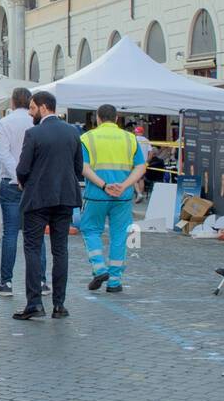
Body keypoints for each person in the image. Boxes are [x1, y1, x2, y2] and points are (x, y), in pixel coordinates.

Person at [13, 92, 83, 320]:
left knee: (33, 248)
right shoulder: (73, 132)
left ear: (43, 107)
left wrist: (25, 183)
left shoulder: (34, 133)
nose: (30, 113)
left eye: (32, 108)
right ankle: (59, 305)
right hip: (65, 197)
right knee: (60, 250)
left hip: (38, 198)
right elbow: (78, 166)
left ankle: (34, 303)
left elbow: (22, 168)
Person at [79, 103, 147, 294]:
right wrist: (124, 186)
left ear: (97, 118)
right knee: (119, 235)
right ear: (117, 118)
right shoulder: (130, 138)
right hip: (122, 196)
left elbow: (83, 167)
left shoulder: (87, 138)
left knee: (91, 230)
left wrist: (103, 185)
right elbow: (140, 167)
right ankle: (115, 281)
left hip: (96, 195)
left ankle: (99, 268)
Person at [0, 88, 41, 297]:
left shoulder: (6, 122)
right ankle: (41, 280)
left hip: (11, 183)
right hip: (34, 183)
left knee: (10, 233)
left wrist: (18, 176)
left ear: (12, 101)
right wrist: (28, 177)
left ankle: (6, 281)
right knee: (36, 234)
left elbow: (3, 154)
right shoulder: (35, 121)